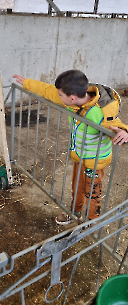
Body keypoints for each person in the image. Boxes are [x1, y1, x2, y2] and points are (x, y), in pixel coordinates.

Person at [13, 70, 128, 225]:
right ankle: (74, 211)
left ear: (72, 97)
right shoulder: (72, 100)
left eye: (61, 95)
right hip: (79, 156)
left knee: (93, 193)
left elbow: (118, 125)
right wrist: (27, 83)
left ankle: (92, 222)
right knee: (77, 187)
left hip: (95, 162)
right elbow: (48, 91)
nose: (58, 97)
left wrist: (125, 132)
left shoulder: (103, 111)